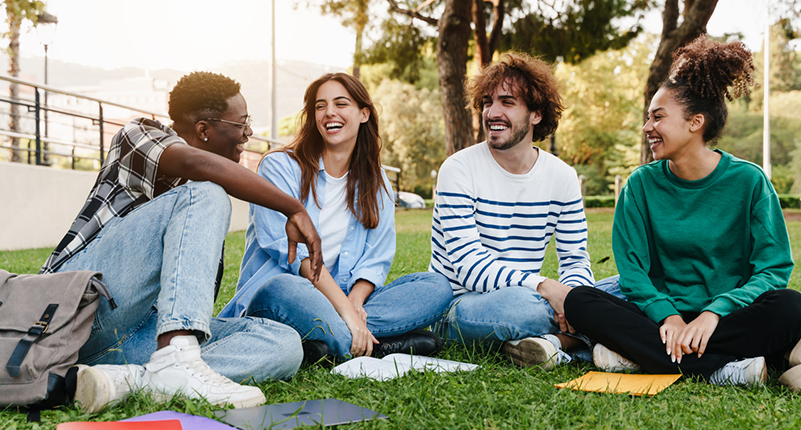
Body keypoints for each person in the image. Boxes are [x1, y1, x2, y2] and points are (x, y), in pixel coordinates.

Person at [43, 71, 323, 412]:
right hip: (74, 311)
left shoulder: (197, 211)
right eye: (241, 123)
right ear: (204, 129)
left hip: (138, 335)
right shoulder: (137, 135)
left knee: (283, 343)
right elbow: (196, 162)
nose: (248, 133)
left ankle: (129, 379)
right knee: (208, 192)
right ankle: (173, 360)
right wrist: (293, 207)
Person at [553, 35, 801, 386]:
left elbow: (773, 269)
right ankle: (722, 368)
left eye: (658, 117)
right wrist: (668, 317)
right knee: (580, 300)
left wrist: (714, 313)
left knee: (791, 308)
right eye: (648, 118)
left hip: (728, 317)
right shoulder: (640, 186)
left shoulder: (749, 181)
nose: (647, 128)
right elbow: (632, 273)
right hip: (658, 319)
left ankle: (643, 357)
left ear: (695, 122)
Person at [219, 73, 452, 361]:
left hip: (341, 300)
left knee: (436, 287)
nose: (329, 112)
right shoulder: (279, 167)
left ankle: (324, 345)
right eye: (320, 106)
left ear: (363, 114)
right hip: (285, 295)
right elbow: (292, 257)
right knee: (284, 288)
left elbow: (375, 259)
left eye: (341, 104)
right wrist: (345, 310)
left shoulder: (377, 183)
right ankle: (375, 346)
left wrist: (354, 304)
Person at [430, 52, 613, 370]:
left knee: (628, 286)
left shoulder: (562, 176)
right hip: (460, 305)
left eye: (507, 102)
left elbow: (575, 260)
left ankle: (552, 344)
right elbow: (469, 267)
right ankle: (589, 336)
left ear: (536, 115)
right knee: (522, 309)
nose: (492, 113)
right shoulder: (458, 169)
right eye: (487, 102)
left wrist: (571, 297)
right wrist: (547, 288)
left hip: (528, 294)